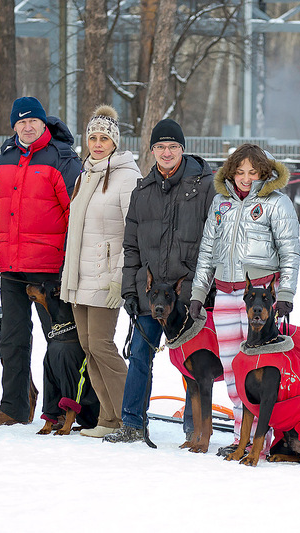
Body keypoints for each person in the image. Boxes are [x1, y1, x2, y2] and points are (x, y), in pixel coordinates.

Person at [104, 118, 215, 444]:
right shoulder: (143, 190)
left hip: (187, 291)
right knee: (139, 353)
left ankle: (195, 429)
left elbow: (214, 240)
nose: (167, 152)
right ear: (152, 150)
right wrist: (129, 289)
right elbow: (132, 246)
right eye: (160, 147)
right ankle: (132, 423)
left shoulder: (204, 187)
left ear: (182, 149)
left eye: (173, 146)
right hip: (150, 293)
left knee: (194, 362)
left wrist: (202, 288)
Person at [0, 96, 81, 427]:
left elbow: (74, 213)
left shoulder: (62, 157)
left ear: (42, 122)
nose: (27, 126)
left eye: (32, 120)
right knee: (12, 338)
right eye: (20, 122)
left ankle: (61, 409)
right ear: (14, 126)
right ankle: (14, 408)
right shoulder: (4, 158)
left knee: (60, 340)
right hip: (10, 266)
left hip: (50, 268)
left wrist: (69, 261)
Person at [189, 143, 300, 455]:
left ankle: (265, 440)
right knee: (232, 369)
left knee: (262, 371)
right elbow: (207, 252)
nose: (246, 178)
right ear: (230, 173)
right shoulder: (220, 203)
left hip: (262, 296)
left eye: (253, 172)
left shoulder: (277, 203)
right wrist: (199, 292)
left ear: (264, 172)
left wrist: (287, 293)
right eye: (239, 172)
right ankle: (242, 437)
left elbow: (290, 251)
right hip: (225, 293)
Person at [60, 105, 141, 438]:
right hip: (79, 276)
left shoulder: (127, 176)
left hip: (107, 276)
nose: (97, 143)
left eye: (104, 138)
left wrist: (119, 277)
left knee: (103, 345)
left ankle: (130, 418)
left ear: (115, 142)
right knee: (88, 346)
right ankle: (108, 419)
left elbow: (131, 231)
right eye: (92, 137)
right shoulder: (84, 174)